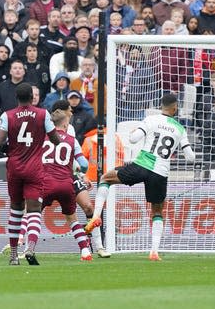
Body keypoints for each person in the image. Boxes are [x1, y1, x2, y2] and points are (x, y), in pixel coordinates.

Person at [84, 93, 196, 261]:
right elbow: (190, 157)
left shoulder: (151, 120)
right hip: (160, 173)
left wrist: (134, 132)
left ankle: (96, 216)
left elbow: (133, 139)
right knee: (157, 211)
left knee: (106, 179)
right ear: (175, 108)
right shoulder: (180, 129)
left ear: (161, 106)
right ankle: (154, 252)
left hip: (142, 166)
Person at [0, 83, 61, 266]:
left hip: (14, 167)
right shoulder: (42, 114)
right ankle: (30, 247)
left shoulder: (8, 115)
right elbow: (56, 140)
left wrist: (11, 150)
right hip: (34, 168)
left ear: (17, 97)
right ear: (32, 97)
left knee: (16, 209)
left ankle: (14, 255)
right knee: (33, 211)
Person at [40, 108, 94, 261]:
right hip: (66, 184)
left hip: (46, 183)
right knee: (72, 219)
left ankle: (24, 247)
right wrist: (74, 167)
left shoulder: (42, 138)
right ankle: (85, 251)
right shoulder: (71, 140)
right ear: (65, 124)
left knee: (32, 215)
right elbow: (83, 165)